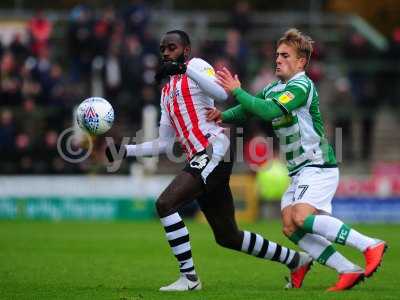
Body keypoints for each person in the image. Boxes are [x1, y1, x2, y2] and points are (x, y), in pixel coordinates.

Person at [106, 30, 312, 292]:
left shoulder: (196, 65)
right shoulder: (166, 91)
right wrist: (126, 150)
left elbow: (221, 93)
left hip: (215, 149)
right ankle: (296, 260)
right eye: (163, 49)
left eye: (172, 47)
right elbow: (164, 144)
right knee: (228, 236)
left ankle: (189, 279)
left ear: (186, 51)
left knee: (165, 203)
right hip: (202, 158)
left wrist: (184, 68)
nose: (167, 53)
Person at [207, 28, 387, 291]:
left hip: (317, 165)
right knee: (291, 226)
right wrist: (222, 116)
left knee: (301, 216)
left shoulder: (302, 85)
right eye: (277, 55)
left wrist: (237, 90)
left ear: (301, 62)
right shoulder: (274, 87)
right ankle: (347, 269)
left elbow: (268, 111)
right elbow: (250, 108)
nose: (277, 59)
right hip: (298, 170)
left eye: (285, 55)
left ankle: (369, 244)